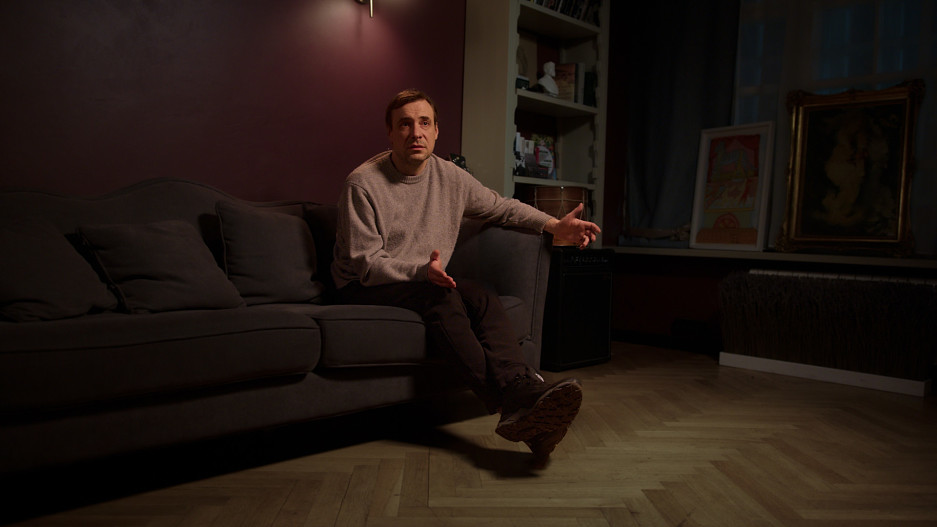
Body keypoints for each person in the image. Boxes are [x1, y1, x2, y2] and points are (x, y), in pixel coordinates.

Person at [331, 89, 601, 465]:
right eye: (404, 124)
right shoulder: (363, 184)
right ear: (390, 133)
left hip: (425, 277)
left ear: (436, 131)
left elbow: (501, 208)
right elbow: (367, 264)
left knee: (482, 294)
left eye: (424, 123)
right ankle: (512, 401)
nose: (415, 132)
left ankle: (523, 396)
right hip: (362, 284)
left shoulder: (450, 177)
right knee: (440, 297)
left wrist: (555, 225)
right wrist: (421, 272)